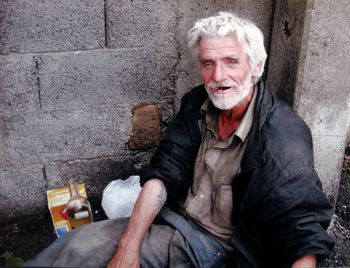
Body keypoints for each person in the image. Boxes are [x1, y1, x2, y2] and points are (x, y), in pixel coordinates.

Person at [25, 11, 334, 268]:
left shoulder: (281, 135)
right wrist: (128, 248)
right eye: (208, 63)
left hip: (214, 246)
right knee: (78, 246)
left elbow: (303, 226)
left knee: (81, 252)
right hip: (173, 216)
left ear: (256, 66)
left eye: (231, 61)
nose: (218, 77)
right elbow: (165, 169)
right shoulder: (197, 103)